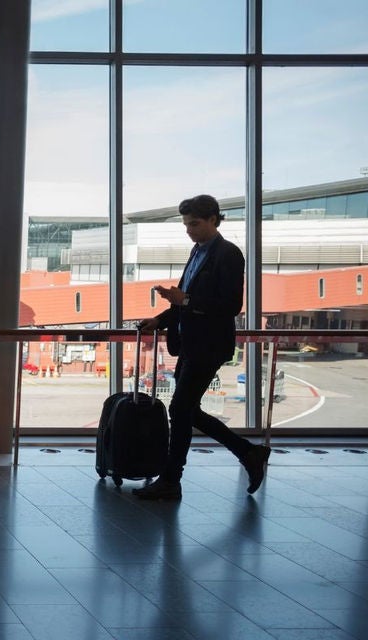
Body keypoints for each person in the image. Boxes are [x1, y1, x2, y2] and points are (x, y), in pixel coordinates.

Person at [134, 194, 270, 501]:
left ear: (213, 219)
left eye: (194, 223)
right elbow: (184, 303)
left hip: (209, 346)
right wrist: (160, 319)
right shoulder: (197, 252)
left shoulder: (228, 254)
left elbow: (231, 305)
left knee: (180, 409)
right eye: (186, 224)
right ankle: (248, 453)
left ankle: (172, 480)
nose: (189, 230)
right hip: (190, 344)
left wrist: (186, 300)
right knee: (186, 411)